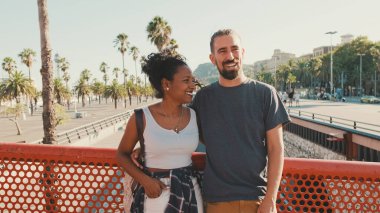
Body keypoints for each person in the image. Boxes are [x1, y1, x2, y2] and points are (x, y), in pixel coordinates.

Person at [190, 29, 290, 213]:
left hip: (257, 199)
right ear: (212, 59)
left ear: (242, 52)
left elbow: (276, 148)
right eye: (222, 51)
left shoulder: (266, 94)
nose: (230, 56)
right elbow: (184, 134)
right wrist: (146, 148)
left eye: (234, 49)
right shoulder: (202, 98)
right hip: (216, 201)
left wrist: (271, 199)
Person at [116, 52, 203, 212]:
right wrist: (145, 181)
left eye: (193, 80)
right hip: (155, 196)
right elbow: (121, 154)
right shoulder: (141, 117)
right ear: (166, 84)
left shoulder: (194, 116)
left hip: (190, 193)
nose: (192, 85)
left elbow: (215, 142)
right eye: (186, 81)